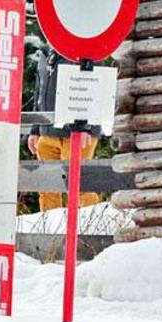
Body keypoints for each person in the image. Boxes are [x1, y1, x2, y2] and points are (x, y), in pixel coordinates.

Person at [27, 46, 101, 211]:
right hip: (47, 131)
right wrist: (35, 129)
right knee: (47, 188)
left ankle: (91, 227)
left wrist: (86, 127)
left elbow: (95, 86)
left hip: (76, 132)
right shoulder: (46, 53)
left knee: (79, 185)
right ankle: (51, 230)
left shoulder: (86, 45)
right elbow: (39, 92)